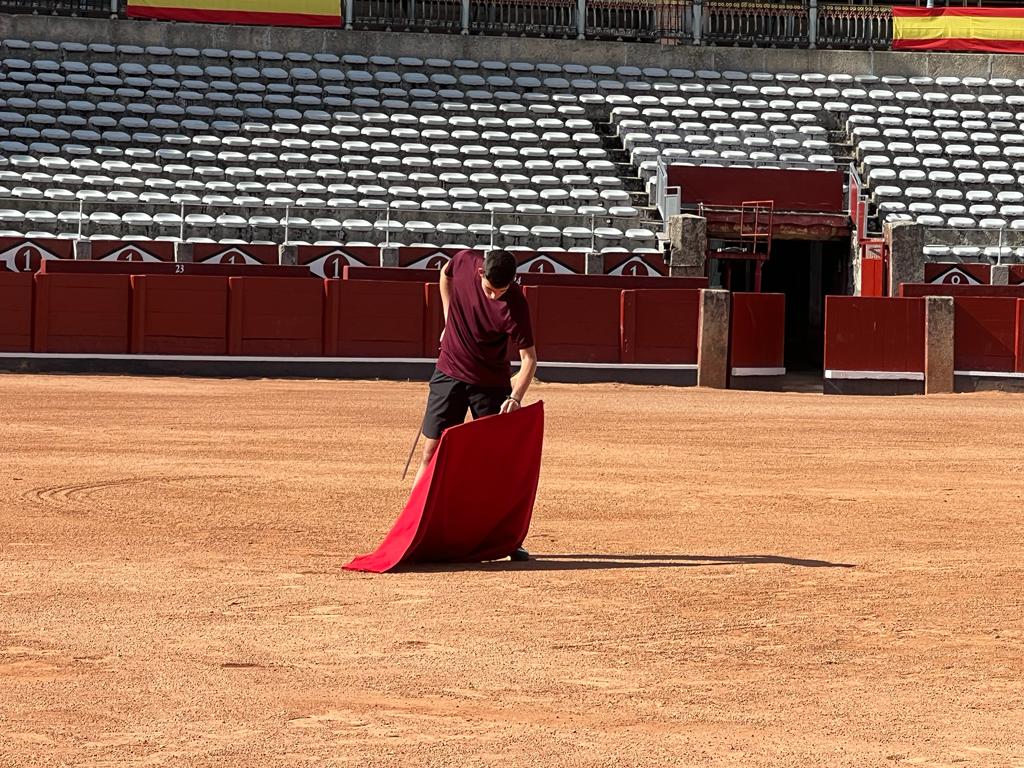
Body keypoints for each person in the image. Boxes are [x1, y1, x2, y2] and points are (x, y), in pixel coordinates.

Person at [413, 248, 538, 560]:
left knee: (495, 463)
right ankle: (414, 528)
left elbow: (529, 360)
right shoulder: (466, 262)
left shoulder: (516, 304)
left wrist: (515, 397)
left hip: (491, 384)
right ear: (480, 273)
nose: (494, 297)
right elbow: (445, 273)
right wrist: (447, 318)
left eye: (501, 291)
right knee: (431, 451)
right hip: (450, 371)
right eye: (489, 289)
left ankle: (505, 538)